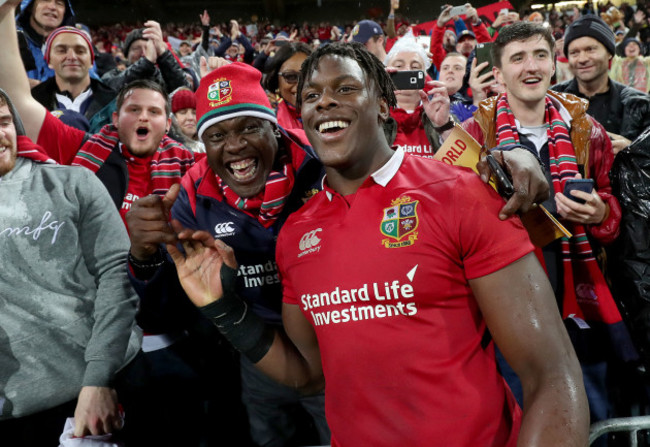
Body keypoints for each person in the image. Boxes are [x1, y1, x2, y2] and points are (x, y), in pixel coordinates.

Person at [167, 41, 589, 447]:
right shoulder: (296, 235)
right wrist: (222, 308)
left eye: (345, 88)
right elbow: (308, 374)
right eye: (312, 94)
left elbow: (551, 374)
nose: (325, 101)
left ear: (384, 106)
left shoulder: (462, 194)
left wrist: (515, 151)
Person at [127, 60, 331, 447]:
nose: (235, 146)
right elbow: (159, 314)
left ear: (274, 126)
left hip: (337, 344)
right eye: (217, 135)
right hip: (259, 349)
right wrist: (144, 254)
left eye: (249, 127)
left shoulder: (323, 165)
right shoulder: (190, 195)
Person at [458, 20, 629, 427]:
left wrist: (602, 214)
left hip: (580, 299)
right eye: (517, 58)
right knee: (521, 415)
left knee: (591, 415)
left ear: (555, 66)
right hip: (505, 304)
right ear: (498, 74)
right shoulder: (471, 139)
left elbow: (614, 210)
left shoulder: (590, 132)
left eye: (540, 56)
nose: (530, 67)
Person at [0, 86, 141, 446]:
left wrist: (98, 378)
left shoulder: (72, 181)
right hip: (14, 409)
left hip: (102, 386)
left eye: (2, 122)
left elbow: (117, 274)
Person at [552, 15, 650, 154]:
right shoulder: (552, 101)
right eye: (574, 52)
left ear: (609, 53)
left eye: (590, 49)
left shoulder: (640, 104)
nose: (582, 59)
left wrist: (631, 151)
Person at [30, 25, 117, 132]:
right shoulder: (32, 102)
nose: (72, 57)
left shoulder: (115, 102)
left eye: (80, 51)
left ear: (91, 61)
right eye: (61, 50)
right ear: (49, 61)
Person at [101, 21, 190, 94]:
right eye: (136, 49)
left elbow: (184, 91)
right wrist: (146, 62)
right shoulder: (113, 75)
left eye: (148, 48)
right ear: (127, 55)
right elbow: (109, 91)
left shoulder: (162, 77)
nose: (144, 53)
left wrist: (163, 54)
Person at [15, 0, 74, 83]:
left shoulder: (75, 51)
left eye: (59, 3)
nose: (52, 7)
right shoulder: (8, 40)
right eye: (45, 0)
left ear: (65, 13)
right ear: (29, 7)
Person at [262, 41, 312, 130]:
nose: (300, 85)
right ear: (276, 80)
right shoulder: (266, 120)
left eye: (307, 76)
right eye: (291, 77)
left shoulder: (332, 114)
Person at [169, 86, 204, 153]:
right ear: (172, 117)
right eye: (183, 112)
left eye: (194, 113)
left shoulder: (206, 148)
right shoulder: (167, 151)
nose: (190, 118)